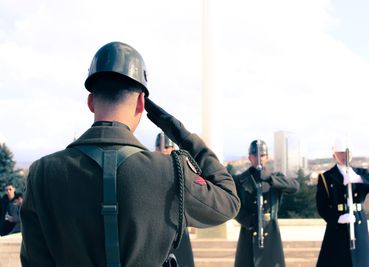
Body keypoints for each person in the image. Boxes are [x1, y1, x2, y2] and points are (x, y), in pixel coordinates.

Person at [20, 41, 240, 267]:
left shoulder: (43, 173)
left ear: (90, 102)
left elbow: (34, 260)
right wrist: (180, 134)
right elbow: (229, 202)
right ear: (141, 103)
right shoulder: (171, 172)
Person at [316, 137, 369, 267]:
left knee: (359, 261)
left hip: (357, 221)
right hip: (338, 226)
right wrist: (338, 218)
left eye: (346, 152)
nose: (344, 156)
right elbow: (322, 207)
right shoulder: (326, 177)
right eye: (340, 153)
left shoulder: (360, 173)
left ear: (352, 154)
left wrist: (359, 179)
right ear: (334, 155)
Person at [234, 140, 299, 267]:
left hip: (271, 228)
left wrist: (270, 179)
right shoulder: (241, 180)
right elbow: (234, 206)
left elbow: (295, 187)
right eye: (255, 155)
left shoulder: (275, 177)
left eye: (262, 155)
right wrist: (249, 221)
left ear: (267, 157)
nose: (259, 158)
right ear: (249, 157)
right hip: (249, 230)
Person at [154, 132, 195, 267]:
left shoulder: (183, 171)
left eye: (167, 147)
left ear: (173, 149)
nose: (164, 150)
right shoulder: (149, 170)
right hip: (156, 232)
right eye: (161, 147)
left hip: (178, 230)